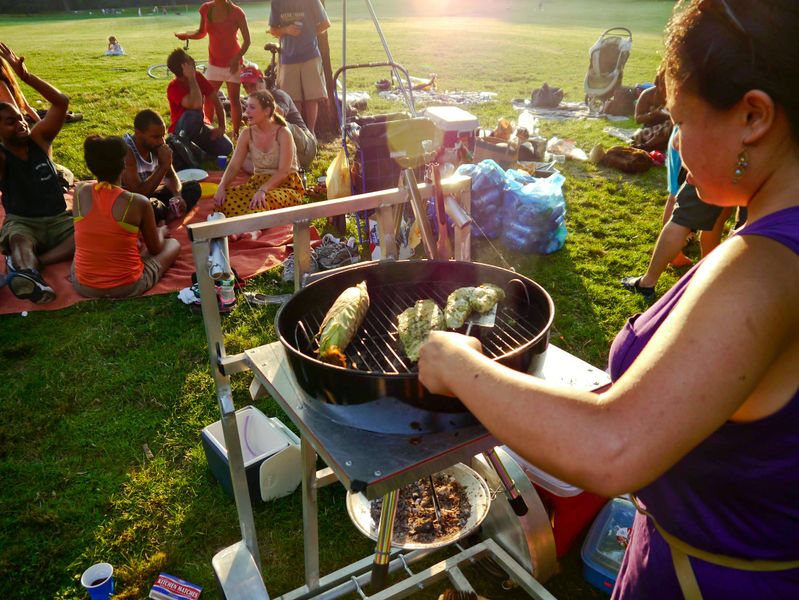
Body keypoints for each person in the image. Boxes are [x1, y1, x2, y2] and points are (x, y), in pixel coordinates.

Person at [418, 2, 799, 598]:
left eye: (679, 119)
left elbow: (613, 447)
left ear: (753, 116)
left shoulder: (766, 267)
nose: (672, 143)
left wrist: (455, 363)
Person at [622, 125, 733, 300]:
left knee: (683, 215)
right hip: (738, 158)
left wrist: (684, 130)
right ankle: (708, 275)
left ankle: (648, 283)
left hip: (716, 154)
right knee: (715, 218)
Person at [0, 43, 72, 304]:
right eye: (11, 122)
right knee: (19, 240)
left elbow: (61, 102)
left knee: (89, 231)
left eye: (20, 118)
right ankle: (30, 274)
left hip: (58, 220)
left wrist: (26, 77)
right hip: (24, 222)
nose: (20, 123)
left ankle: (31, 266)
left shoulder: (39, 140)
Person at [71, 135, 180, 299]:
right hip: (128, 286)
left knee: (82, 252)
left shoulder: (79, 192)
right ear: (123, 165)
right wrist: (162, 231)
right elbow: (155, 248)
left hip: (85, 286)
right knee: (173, 244)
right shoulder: (137, 202)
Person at [212, 90, 304, 218]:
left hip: (286, 185)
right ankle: (250, 224)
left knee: (261, 202)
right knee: (223, 201)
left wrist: (263, 190)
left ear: (266, 111)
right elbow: (234, 166)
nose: (247, 111)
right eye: (247, 106)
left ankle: (252, 228)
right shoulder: (246, 134)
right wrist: (222, 186)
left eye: (252, 107)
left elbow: (283, 172)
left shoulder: (283, 133)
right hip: (257, 184)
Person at [175, 0, 250, 139]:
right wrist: (188, 35)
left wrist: (237, 58)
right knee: (208, 97)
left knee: (234, 99)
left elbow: (247, 41)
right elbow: (202, 32)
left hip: (233, 64)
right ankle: (207, 127)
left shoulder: (237, 12)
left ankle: (236, 134)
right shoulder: (206, 8)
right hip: (214, 62)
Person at [121, 109, 201, 224]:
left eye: (163, 136)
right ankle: (164, 215)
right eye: (155, 137)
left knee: (193, 187)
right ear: (138, 133)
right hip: (131, 201)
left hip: (151, 194)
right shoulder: (127, 151)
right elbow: (138, 194)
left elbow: (171, 176)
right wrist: (163, 166)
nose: (161, 141)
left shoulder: (157, 146)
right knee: (148, 207)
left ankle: (165, 214)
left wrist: (177, 196)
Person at [268, 0, 330, 133]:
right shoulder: (277, 2)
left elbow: (325, 23)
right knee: (293, 98)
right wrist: (286, 30)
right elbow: (273, 30)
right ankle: (300, 132)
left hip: (310, 55)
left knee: (311, 97)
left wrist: (311, 33)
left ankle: (311, 133)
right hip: (287, 57)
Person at [239, 65, 317, 169]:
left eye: (252, 86)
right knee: (243, 157)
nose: (249, 91)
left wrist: (264, 96)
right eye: (246, 87)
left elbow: (279, 116)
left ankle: (288, 167)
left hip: (305, 148)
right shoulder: (252, 101)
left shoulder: (279, 95)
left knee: (280, 127)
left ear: (261, 81)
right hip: (280, 150)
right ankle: (274, 169)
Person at [165, 47, 233, 161]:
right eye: (188, 59)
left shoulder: (198, 77)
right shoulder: (173, 87)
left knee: (226, 147)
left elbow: (216, 101)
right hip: (180, 131)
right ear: (184, 66)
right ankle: (185, 148)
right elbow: (196, 104)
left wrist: (222, 127)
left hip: (200, 126)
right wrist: (191, 78)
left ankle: (194, 152)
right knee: (194, 115)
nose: (193, 60)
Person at [0, 55, 40, 124]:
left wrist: (39, 123)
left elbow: (18, 108)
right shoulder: (7, 81)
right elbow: (26, 107)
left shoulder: (1, 84)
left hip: (9, 119)